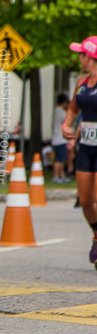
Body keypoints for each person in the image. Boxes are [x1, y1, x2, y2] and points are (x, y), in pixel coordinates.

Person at [62, 36, 97, 266]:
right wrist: (67, 126)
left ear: (90, 56)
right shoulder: (82, 83)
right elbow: (73, 111)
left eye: (81, 54)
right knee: (85, 201)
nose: (78, 58)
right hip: (86, 147)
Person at [52, 93, 70, 183]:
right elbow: (68, 121)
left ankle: (62, 175)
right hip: (60, 139)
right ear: (64, 103)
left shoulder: (56, 111)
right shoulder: (62, 112)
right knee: (60, 159)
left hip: (56, 139)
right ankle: (56, 175)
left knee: (60, 158)